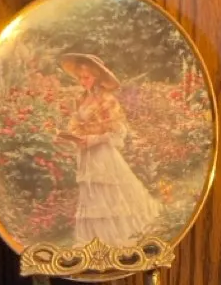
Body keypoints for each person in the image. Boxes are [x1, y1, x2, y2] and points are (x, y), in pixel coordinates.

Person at [57, 53, 161, 245]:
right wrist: (71, 137)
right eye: (80, 77)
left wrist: (92, 139)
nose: (83, 81)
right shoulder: (82, 99)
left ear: (96, 77)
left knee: (109, 193)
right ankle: (95, 240)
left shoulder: (107, 100)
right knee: (91, 195)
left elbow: (118, 131)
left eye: (86, 77)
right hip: (86, 155)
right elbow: (75, 124)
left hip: (102, 154)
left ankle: (115, 238)